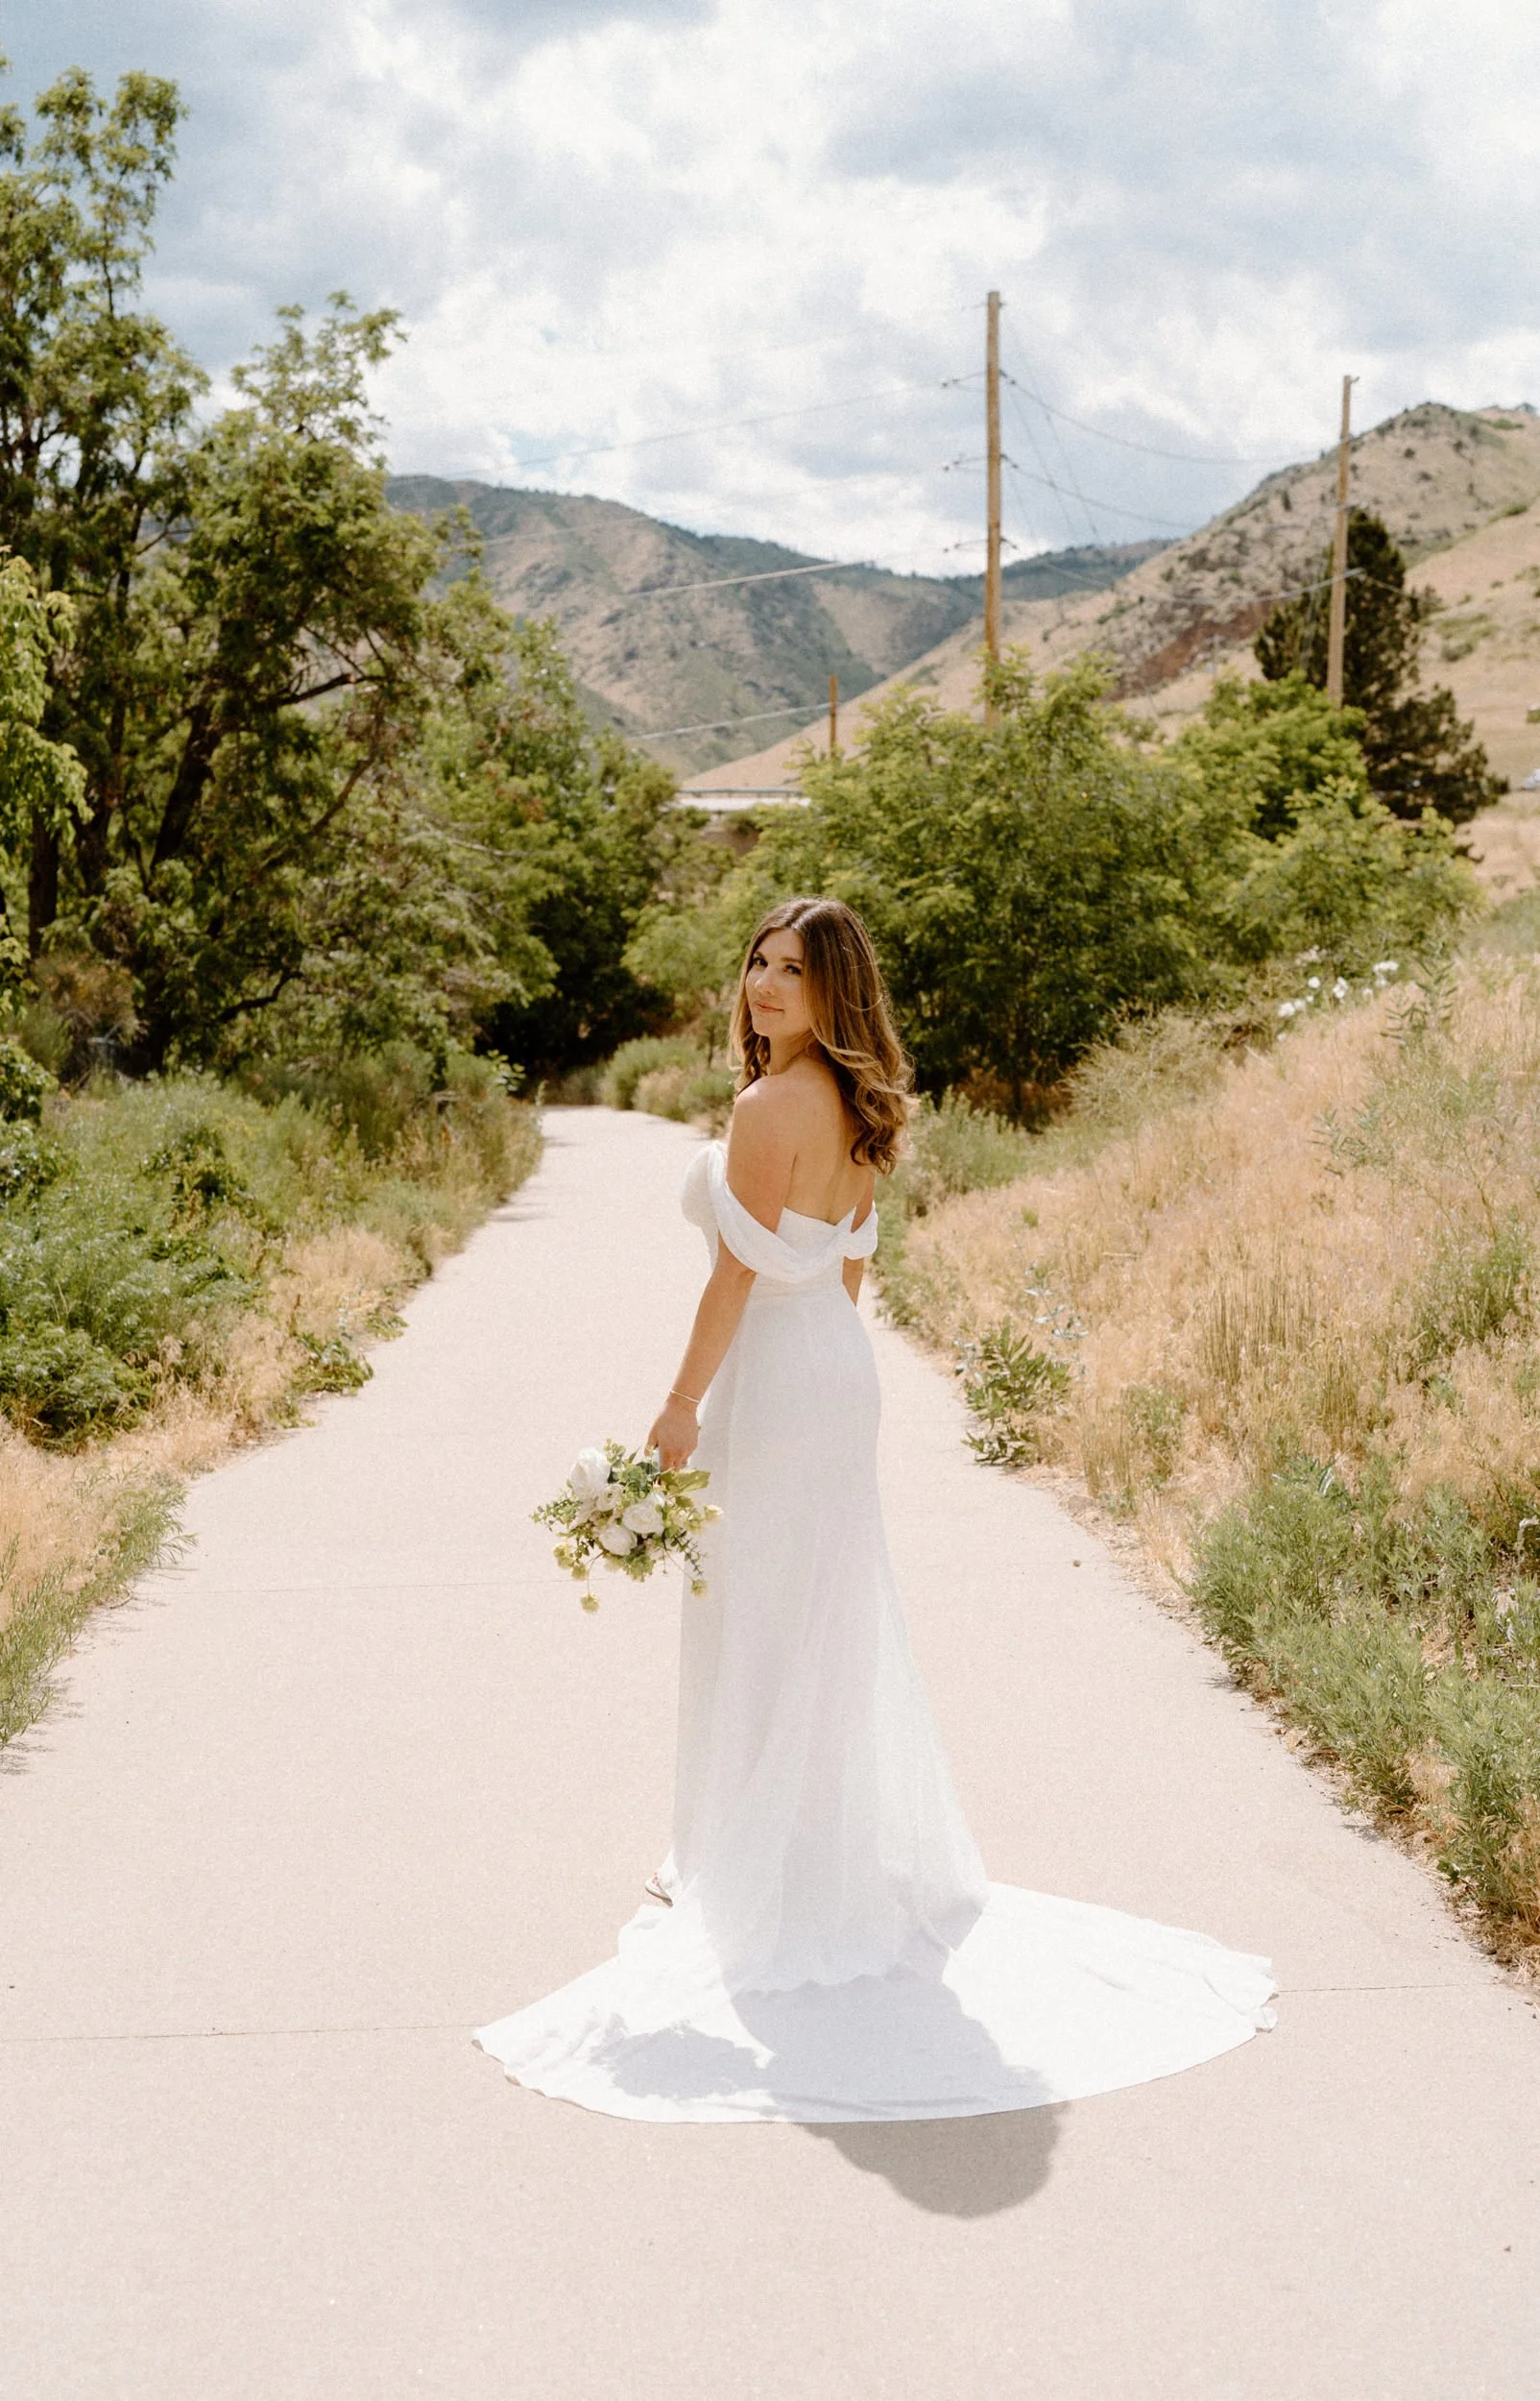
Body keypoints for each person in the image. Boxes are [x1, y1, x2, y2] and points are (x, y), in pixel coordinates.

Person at [476, 897, 1275, 2122]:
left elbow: (736, 1275)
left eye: (793, 970)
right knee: (819, 1612)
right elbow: (846, 1271)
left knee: (762, 1614)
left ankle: (759, 1865)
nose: (764, 985)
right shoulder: (858, 1104)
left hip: (775, 1380)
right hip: (834, 1374)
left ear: (834, 988)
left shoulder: (762, 1108)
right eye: (757, 962)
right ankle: (791, 1849)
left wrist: (677, 1410)